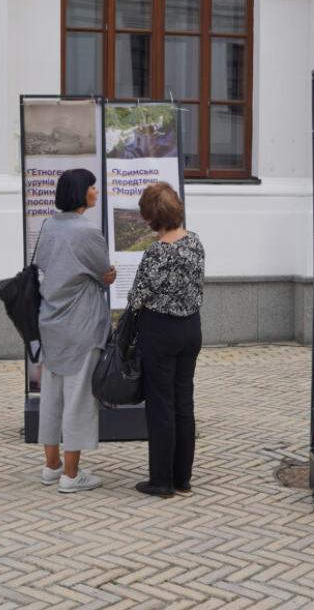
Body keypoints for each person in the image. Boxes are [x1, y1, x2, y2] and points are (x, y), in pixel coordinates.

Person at [34, 169, 116, 494]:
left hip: (51, 321)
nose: (96, 191)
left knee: (52, 396)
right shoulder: (88, 232)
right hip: (81, 325)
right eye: (92, 186)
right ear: (82, 192)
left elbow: (43, 265)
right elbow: (103, 272)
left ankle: (52, 467)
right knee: (79, 398)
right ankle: (71, 475)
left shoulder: (49, 225)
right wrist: (105, 276)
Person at [127, 182, 205, 498]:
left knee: (161, 406)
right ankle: (182, 478)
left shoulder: (156, 251)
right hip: (191, 329)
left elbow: (137, 296)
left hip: (160, 332)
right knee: (183, 404)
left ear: (152, 217)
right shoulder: (196, 242)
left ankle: (161, 481)